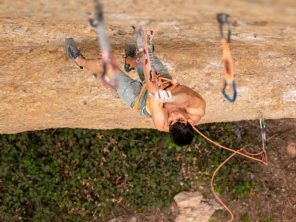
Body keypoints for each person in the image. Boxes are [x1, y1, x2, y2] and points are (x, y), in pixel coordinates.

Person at [64, 37, 206, 146]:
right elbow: (187, 98)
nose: (174, 115)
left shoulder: (161, 124)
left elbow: (151, 91)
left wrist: (147, 63)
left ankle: (80, 61)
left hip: (141, 99)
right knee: (141, 54)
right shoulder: (197, 108)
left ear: (168, 127)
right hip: (164, 82)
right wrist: (170, 98)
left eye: (172, 121)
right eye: (179, 119)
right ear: (189, 121)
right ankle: (131, 60)